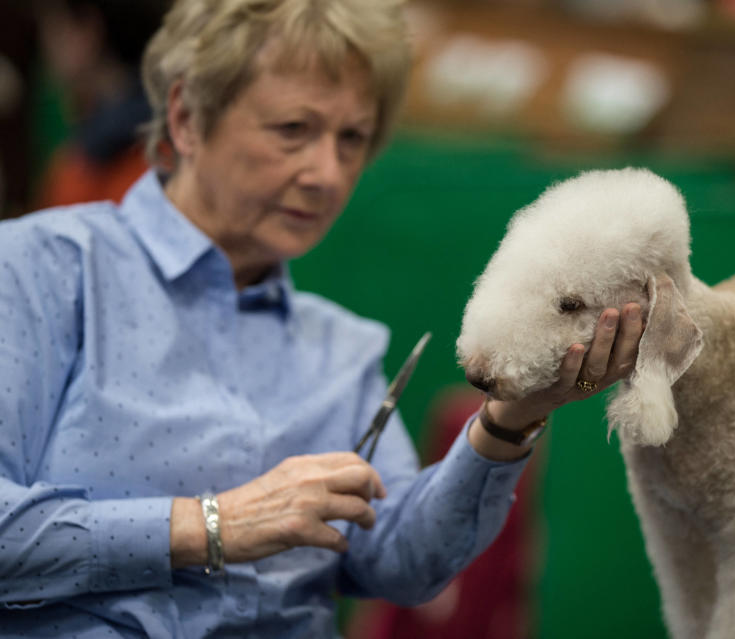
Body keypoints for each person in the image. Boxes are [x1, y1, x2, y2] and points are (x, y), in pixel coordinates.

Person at [0, 0, 646, 636]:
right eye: (292, 130)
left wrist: (507, 421)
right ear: (187, 118)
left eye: (352, 139)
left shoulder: (341, 345)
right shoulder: (42, 270)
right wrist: (211, 524)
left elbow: (401, 564)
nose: (327, 173)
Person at [32, 0, 167, 208]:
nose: (43, 46)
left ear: (86, 29)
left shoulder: (82, 175)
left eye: (52, 28)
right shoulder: (177, 127)